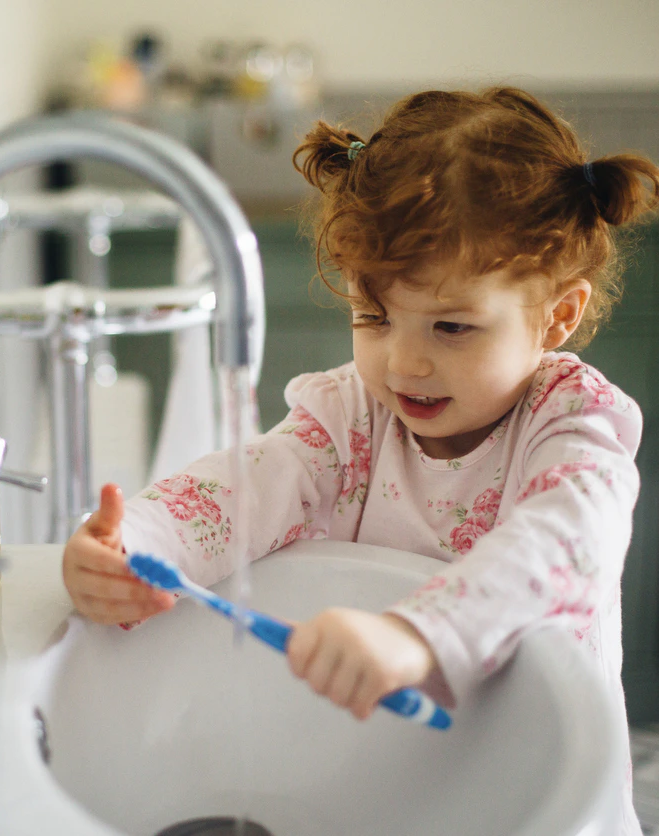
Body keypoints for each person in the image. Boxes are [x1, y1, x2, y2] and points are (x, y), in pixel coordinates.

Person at [61, 87, 659, 833]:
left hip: (540, 790)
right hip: (380, 775)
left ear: (556, 316)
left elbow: (566, 543)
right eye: (372, 317)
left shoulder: (573, 422)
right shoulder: (349, 416)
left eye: (451, 326)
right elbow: (255, 483)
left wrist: (417, 634)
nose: (404, 363)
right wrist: (137, 544)